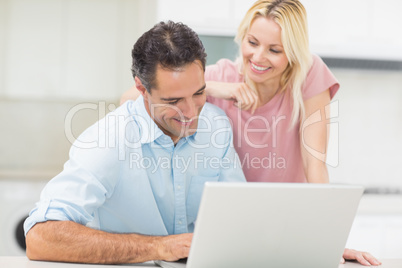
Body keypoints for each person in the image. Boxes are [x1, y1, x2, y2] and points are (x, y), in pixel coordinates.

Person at [120, 0, 381, 266]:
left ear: (293, 52)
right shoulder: (222, 75)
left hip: (288, 224)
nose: (257, 58)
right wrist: (213, 89)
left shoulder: (309, 75)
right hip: (230, 226)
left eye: (275, 50)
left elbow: (315, 163)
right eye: (252, 42)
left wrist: (329, 239)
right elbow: (129, 101)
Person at [24, 21, 246, 264]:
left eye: (198, 93)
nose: (191, 112)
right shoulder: (109, 139)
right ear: (141, 88)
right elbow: (40, 238)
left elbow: (238, 215)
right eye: (173, 101)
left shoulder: (216, 125)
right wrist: (158, 248)